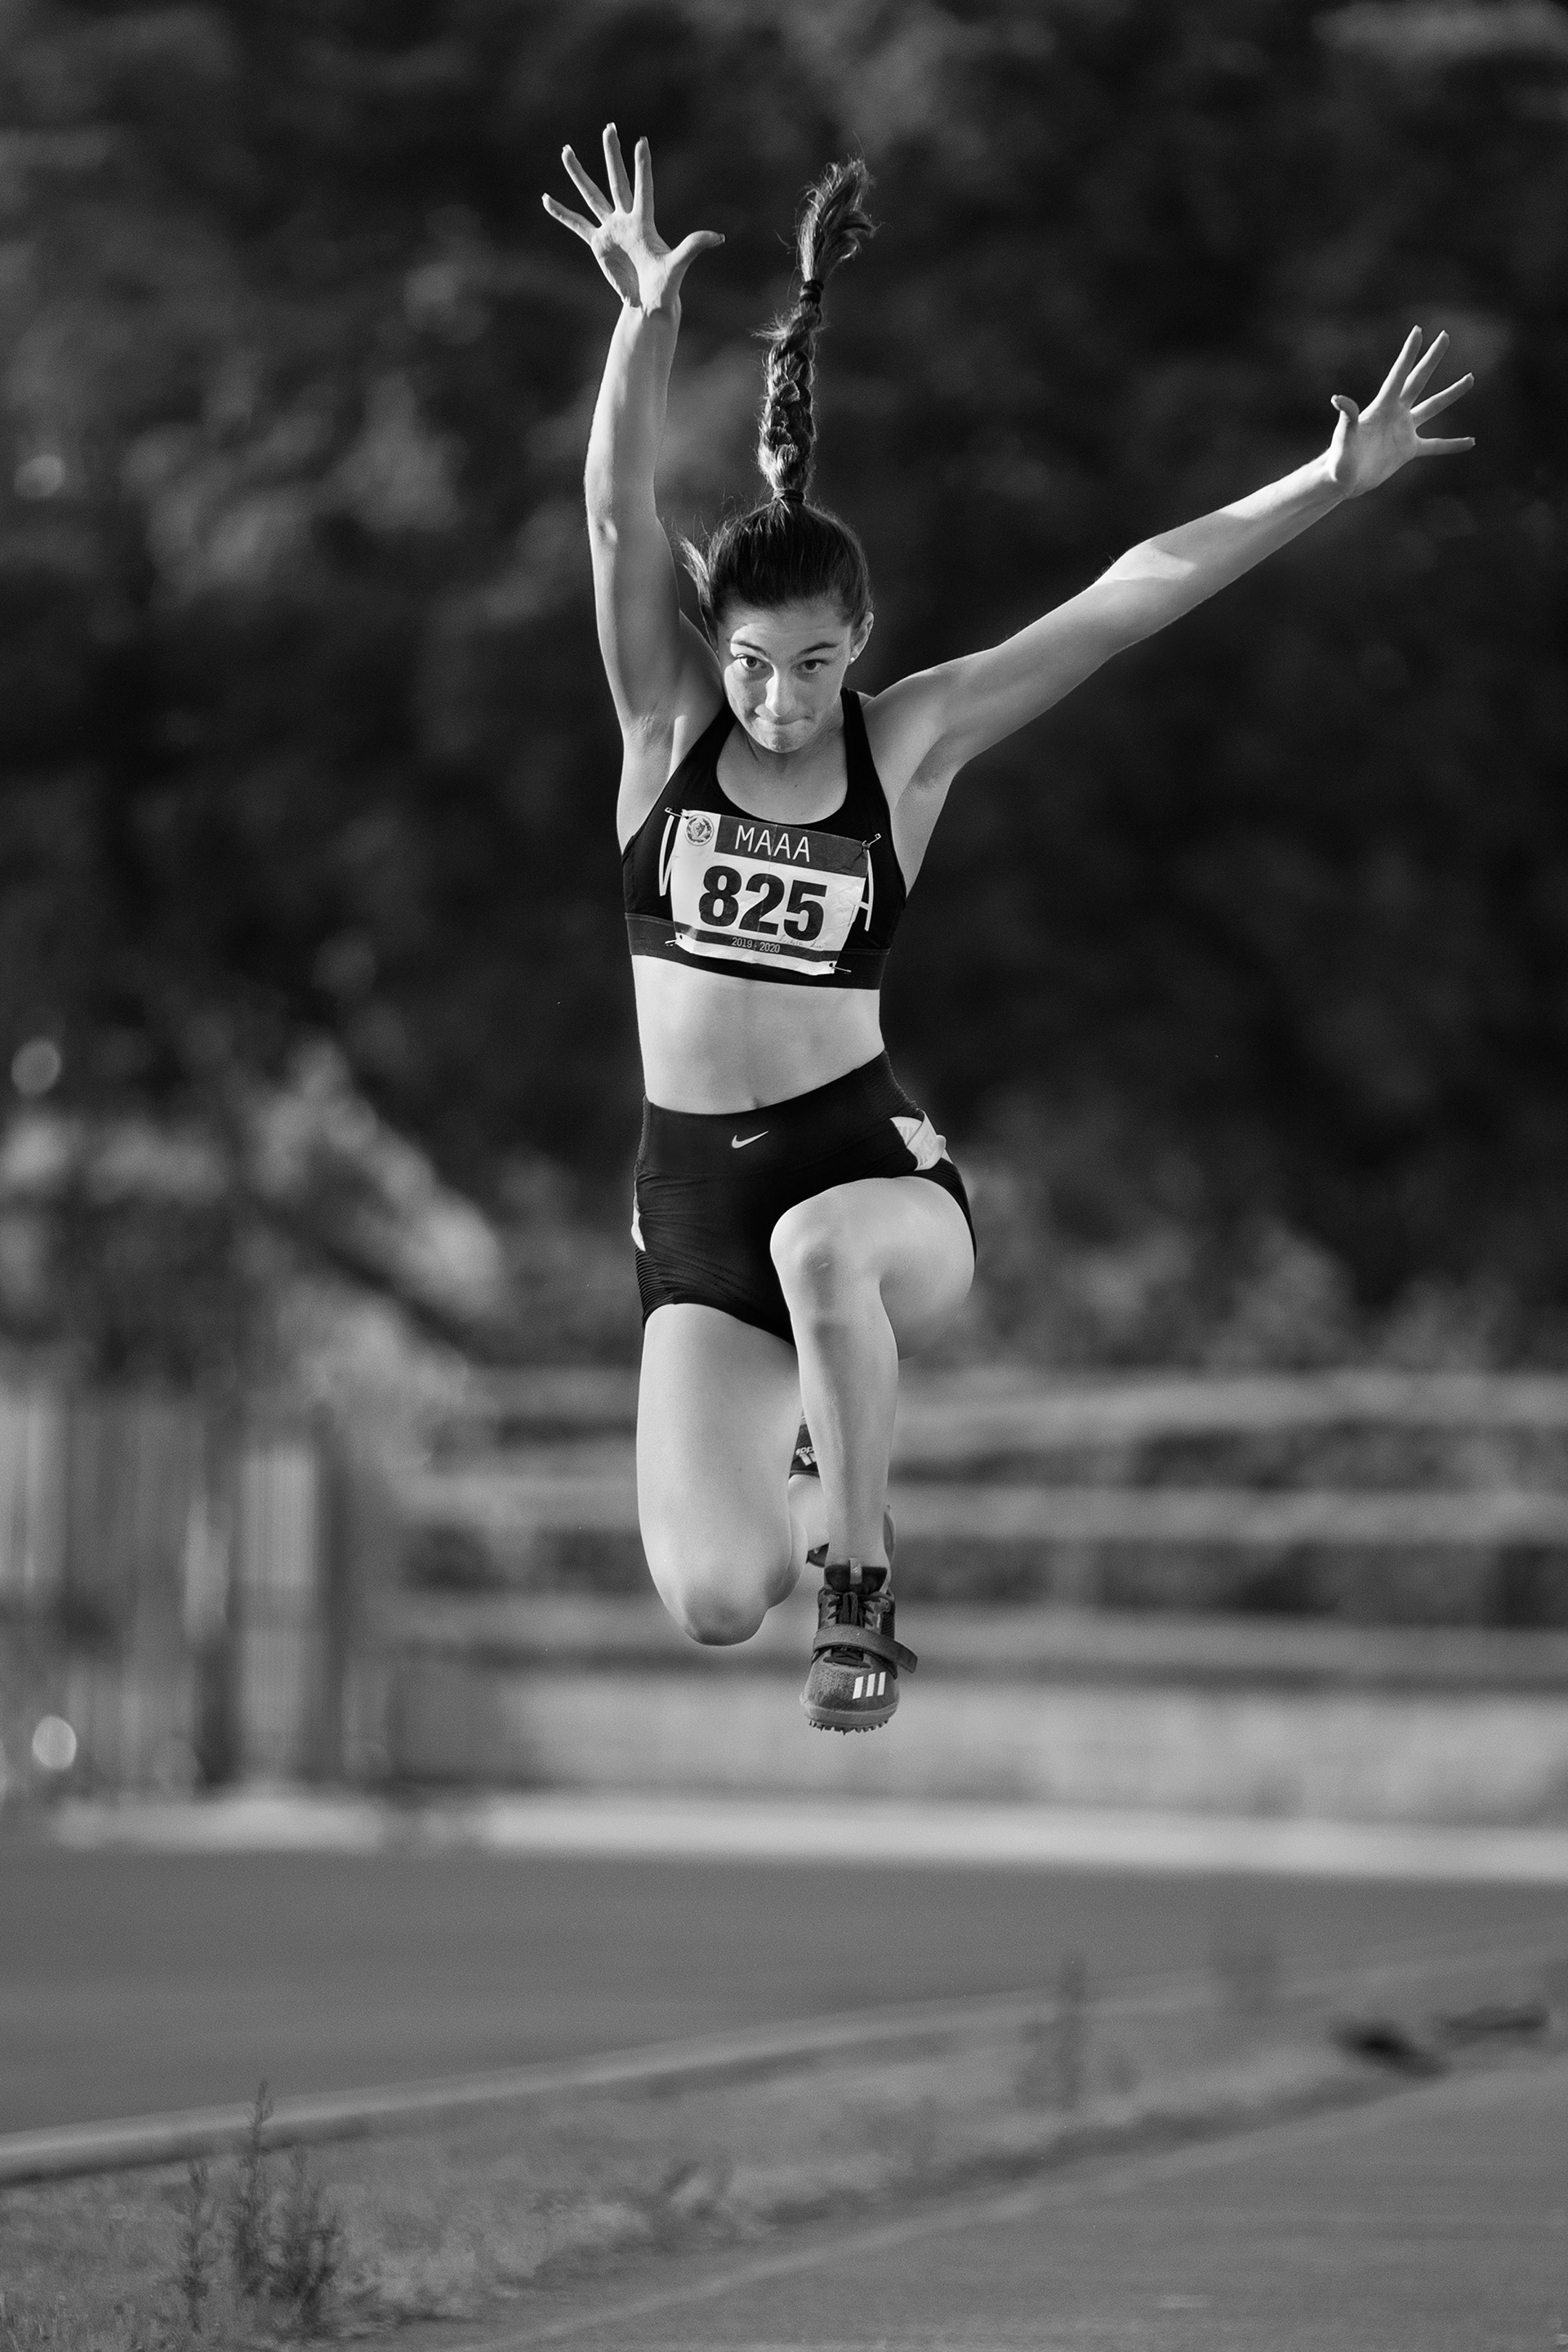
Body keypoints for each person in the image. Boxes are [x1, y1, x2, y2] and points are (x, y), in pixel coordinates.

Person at [543, 127, 1474, 1733]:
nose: (780, 698)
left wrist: (1327, 483)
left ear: (862, 647)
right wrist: (642, 325)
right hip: (689, 1207)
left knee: (823, 1249)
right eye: (755, 665)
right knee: (708, 1599)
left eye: (816, 664)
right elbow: (624, 522)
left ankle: (864, 1586)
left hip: (866, 1174)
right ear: (722, 648)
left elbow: (1124, 597)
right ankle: (805, 1453)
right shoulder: (660, 742)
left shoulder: (904, 748)